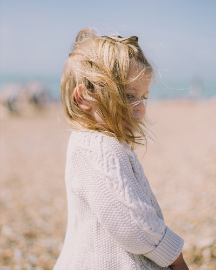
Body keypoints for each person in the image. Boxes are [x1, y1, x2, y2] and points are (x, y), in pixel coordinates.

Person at [53, 28, 189, 270]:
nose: (140, 108)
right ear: (84, 97)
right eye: (128, 95)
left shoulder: (98, 142)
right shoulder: (98, 147)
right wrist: (175, 257)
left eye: (143, 97)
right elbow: (133, 223)